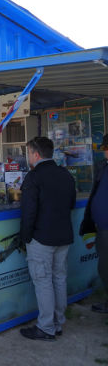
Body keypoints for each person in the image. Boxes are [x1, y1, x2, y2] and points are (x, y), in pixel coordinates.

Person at [19, 137, 76, 341]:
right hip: (63, 236)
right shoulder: (65, 175)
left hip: (41, 238)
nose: (28, 157)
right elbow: (71, 204)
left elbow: (29, 213)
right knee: (59, 279)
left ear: (35, 154)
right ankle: (58, 323)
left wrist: (25, 238)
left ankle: (45, 327)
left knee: (43, 282)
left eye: (28, 153)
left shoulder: (34, 177)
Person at [80, 133, 108, 313]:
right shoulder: (103, 167)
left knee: (106, 267)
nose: (105, 152)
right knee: (104, 267)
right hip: (101, 227)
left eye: (106, 148)